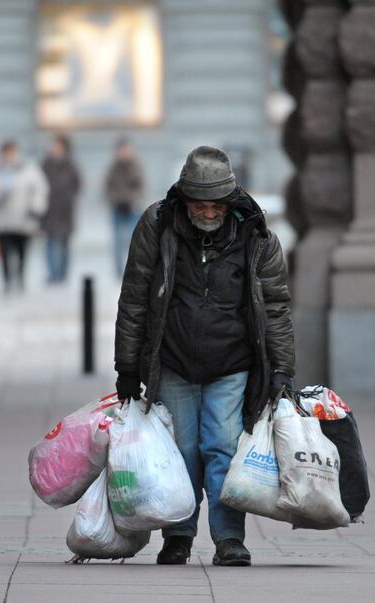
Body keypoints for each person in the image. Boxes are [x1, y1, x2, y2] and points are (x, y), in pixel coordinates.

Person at [114, 146, 295, 567]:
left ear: (229, 202)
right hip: (173, 361)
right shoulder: (157, 225)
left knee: (223, 447)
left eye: (215, 205)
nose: (208, 213)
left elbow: (275, 307)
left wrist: (283, 367)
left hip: (231, 365)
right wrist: (126, 366)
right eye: (199, 204)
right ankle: (177, 536)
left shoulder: (257, 236)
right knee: (182, 450)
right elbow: (135, 299)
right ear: (184, 199)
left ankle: (229, 538)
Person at [0, 139, 48, 293]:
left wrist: (36, 209)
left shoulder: (28, 169)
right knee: (4, 252)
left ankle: (20, 278)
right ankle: (7, 280)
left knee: (22, 251)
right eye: (6, 152)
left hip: (24, 220)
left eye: (11, 152)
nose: (9, 156)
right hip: (2, 220)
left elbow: (40, 189)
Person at [41, 134, 81, 283]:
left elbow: (78, 185)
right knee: (50, 243)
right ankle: (53, 274)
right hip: (49, 211)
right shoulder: (45, 165)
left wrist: (68, 197)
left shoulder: (71, 166)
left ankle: (62, 274)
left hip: (65, 211)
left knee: (64, 244)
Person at [105, 137, 144, 277]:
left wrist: (134, 199)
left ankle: (133, 269)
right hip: (117, 207)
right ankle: (119, 271)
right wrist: (114, 200)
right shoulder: (113, 167)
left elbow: (140, 186)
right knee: (117, 241)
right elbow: (108, 187)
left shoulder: (135, 166)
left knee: (133, 240)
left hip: (132, 208)